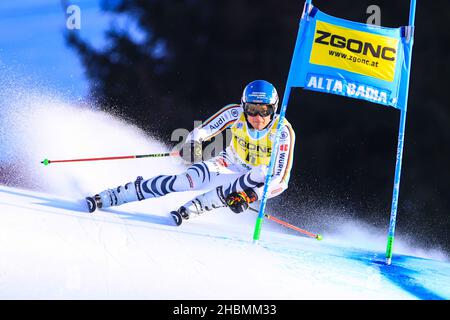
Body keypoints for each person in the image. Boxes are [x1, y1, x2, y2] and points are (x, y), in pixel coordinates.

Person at [86, 80, 295, 225]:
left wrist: (251, 196)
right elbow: (205, 130)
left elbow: (280, 179)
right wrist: (192, 144)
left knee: (259, 173)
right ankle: (115, 195)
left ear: (274, 109)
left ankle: (201, 205)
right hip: (229, 162)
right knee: (185, 180)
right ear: (244, 106)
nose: (258, 117)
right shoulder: (235, 113)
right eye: (252, 109)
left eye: (265, 110)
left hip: (258, 178)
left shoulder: (282, 131)